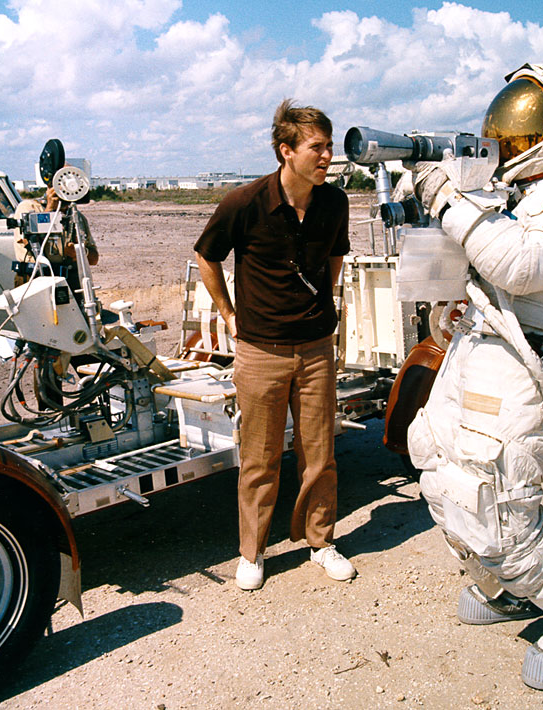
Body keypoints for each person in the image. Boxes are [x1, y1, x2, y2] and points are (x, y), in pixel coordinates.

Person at [406, 63, 543, 690]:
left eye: (523, 130)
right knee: (434, 458)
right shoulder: (529, 193)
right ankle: (507, 586)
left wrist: (449, 200)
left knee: (495, 500)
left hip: (528, 364)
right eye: (505, 131)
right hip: (485, 345)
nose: (508, 142)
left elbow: (525, 265)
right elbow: (493, 264)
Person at [194, 101, 356, 590]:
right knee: (260, 458)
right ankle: (253, 553)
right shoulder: (244, 202)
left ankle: (320, 542)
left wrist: (320, 305)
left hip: (316, 348)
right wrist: (229, 315)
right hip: (260, 352)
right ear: (286, 150)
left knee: (320, 455)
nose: (327, 156)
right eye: (317, 147)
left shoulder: (335, 202)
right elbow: (206, 257)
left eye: (328, 146)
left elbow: (335, 257)